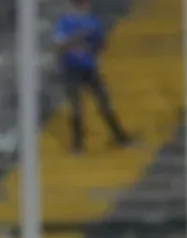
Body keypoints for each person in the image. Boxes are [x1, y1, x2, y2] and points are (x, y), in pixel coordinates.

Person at [55, 0, 132, 153]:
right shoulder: (64, 22)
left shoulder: (93, 21)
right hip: (71, 69)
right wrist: (78, 36)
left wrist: (96, 43)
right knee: (76, 108)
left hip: (89, 68)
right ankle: (77, 145)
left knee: (104, 103)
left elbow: (102, 44)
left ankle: (120, 137)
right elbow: (59, 46)